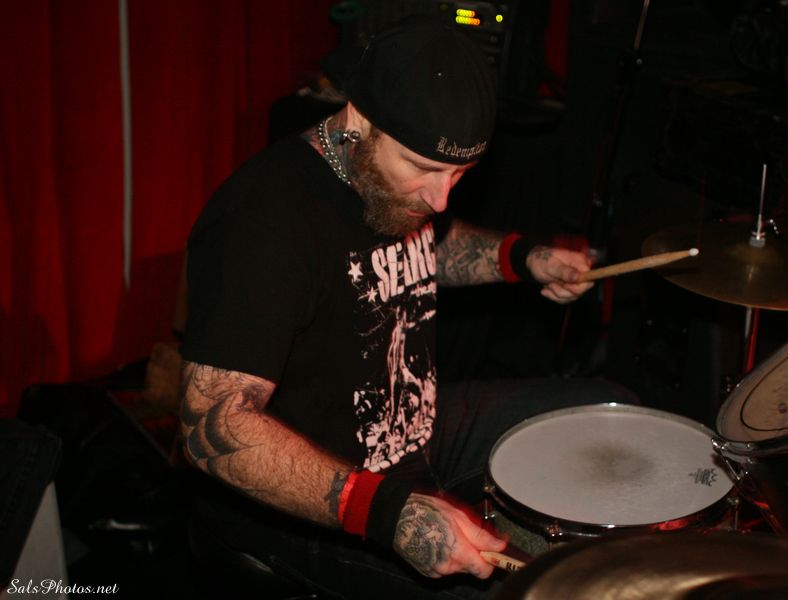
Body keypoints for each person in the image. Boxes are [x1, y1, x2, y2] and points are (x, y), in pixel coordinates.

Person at [179, 17, 634, 599]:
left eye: (460, 174)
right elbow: (210, 425)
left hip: (416, 429)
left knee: (609, 413)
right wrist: (386, 512)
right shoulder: (263, 222)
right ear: (359, 121)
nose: (441, 198)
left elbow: (428, 244)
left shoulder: (388, 185)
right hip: (306, 503)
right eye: (424, 169)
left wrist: (523, 259)